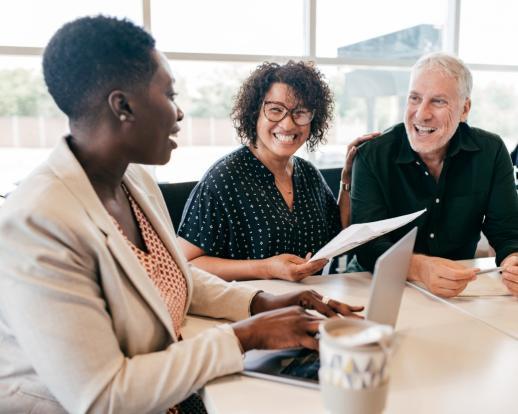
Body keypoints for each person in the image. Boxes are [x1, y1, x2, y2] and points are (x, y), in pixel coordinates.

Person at [0, 16, 364, 413]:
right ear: (123, 105)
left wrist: (262, 303)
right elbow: (103, 397)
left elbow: (171, 275)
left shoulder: (133, 180)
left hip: (172, 390)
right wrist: (245, 336)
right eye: (169, 94)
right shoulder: (36, 222)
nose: (180, 113)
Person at [178, 61, 377, 281]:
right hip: (248, 308)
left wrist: (347, 178)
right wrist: (267, 268)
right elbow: (186, 263)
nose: (288, 124)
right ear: (255, 113)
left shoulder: (308, 174)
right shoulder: (224, 179)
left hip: (309, 302)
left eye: (300, 112)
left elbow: (341, 231)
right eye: (275, 110)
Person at [350, 52, 518, 298]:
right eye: (414, 98)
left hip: (459, 290)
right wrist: (419, 268)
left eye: (438, 101)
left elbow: (507, 232)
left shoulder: (491, 151)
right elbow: (368, 246)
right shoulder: (372, 156)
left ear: (465, 109)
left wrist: (514, 260)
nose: (421, 114)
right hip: (376, 283)